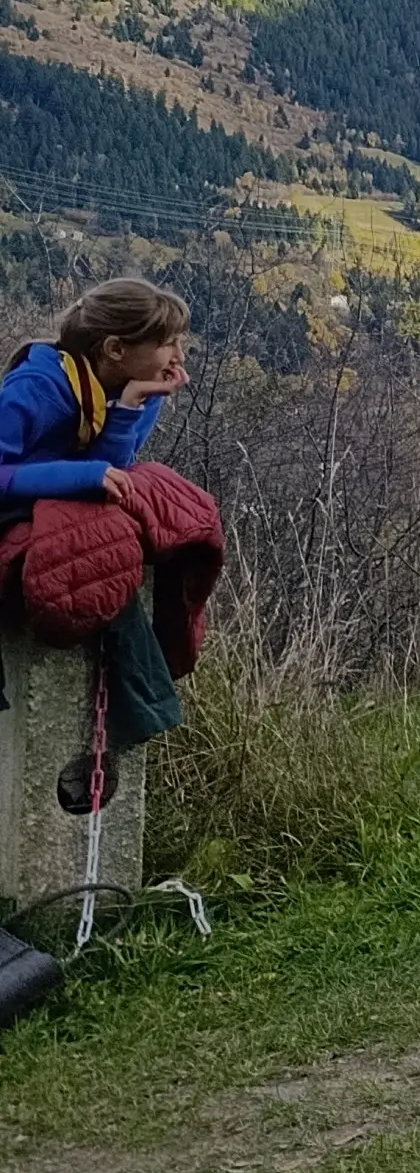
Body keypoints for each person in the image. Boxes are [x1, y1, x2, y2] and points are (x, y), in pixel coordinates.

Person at [0, 278, 195, 806]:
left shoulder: (131, 389)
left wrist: (133, 407)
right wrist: (82, 480)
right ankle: (147, 706)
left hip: (54, 509)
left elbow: (111, 470)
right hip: (11, 503)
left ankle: (141, 707)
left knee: (119, 548)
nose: (180, 355)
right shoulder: (39, 387)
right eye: (169, 342)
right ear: (116, 350)